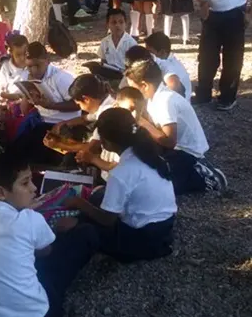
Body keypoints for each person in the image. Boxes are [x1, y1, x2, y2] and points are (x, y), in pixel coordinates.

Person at [0, 153, 100, 317]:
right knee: (85, 234)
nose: (34, 188)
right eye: (25, 183)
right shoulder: (30, 220)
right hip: (34, 315)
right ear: (1, 192)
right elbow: (46, 252)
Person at [66, 108, 177, 262]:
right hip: (166, 226)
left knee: (81, 228)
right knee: (99, 195)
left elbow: (107, 220)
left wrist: (79, 203)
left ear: (106, 142)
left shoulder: (121, 172)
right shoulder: (149, 155)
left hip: (142, 238)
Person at [125, 60, 226, 195]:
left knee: (160, 185)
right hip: (173, 150)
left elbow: (170, 141)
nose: (132, 93)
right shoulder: (153, 98)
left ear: (144, 85)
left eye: (133, 88)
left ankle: (205, 176)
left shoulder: (165, 101)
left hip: (186, 153)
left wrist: (140, 121)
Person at [11, 43, 82, 166]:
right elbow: (24, 111)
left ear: (47, 61)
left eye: (37, 65)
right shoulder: (30, 76)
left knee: (35, 149)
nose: (33, 70)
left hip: (64, 124)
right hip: (42, 120)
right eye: (29, 66)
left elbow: (78, 105)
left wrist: (51, 105)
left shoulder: (61, 78)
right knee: (19, 145)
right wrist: (27, 94)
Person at [85, 8, 137, 81]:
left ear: (126, 24)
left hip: (124, 75)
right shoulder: (104, 41)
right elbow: (103, 61)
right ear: (108, 25)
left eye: (121, 22)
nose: (117, 25)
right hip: (109, 72)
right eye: (113, 22)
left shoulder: (131, 43)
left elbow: (135, 65)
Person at [144, 32, 192, 100]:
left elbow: (175, 88)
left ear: (162, 52)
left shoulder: (168, 66)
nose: (148, 55)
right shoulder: (169, 62)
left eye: (150, 52)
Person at [0, 33, 29, 100]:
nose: (22, 58)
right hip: (12, 100)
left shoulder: (32, 65)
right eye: (18, 55)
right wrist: (9, 96)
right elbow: (0, 91)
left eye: (25, 53)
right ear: (11, 53)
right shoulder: (6, 67)